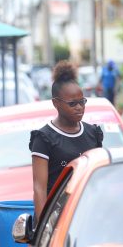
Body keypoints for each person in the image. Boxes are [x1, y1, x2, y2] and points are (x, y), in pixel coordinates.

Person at [29, 61, 104, 220]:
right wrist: (44, 228)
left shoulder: (93, 133)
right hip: (58, 216)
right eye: (72, 103)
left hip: (88, 214)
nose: (79, 107)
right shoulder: (44, 138)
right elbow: (39, 188)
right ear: (56, 103)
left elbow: (99, 180)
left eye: (82, 101)